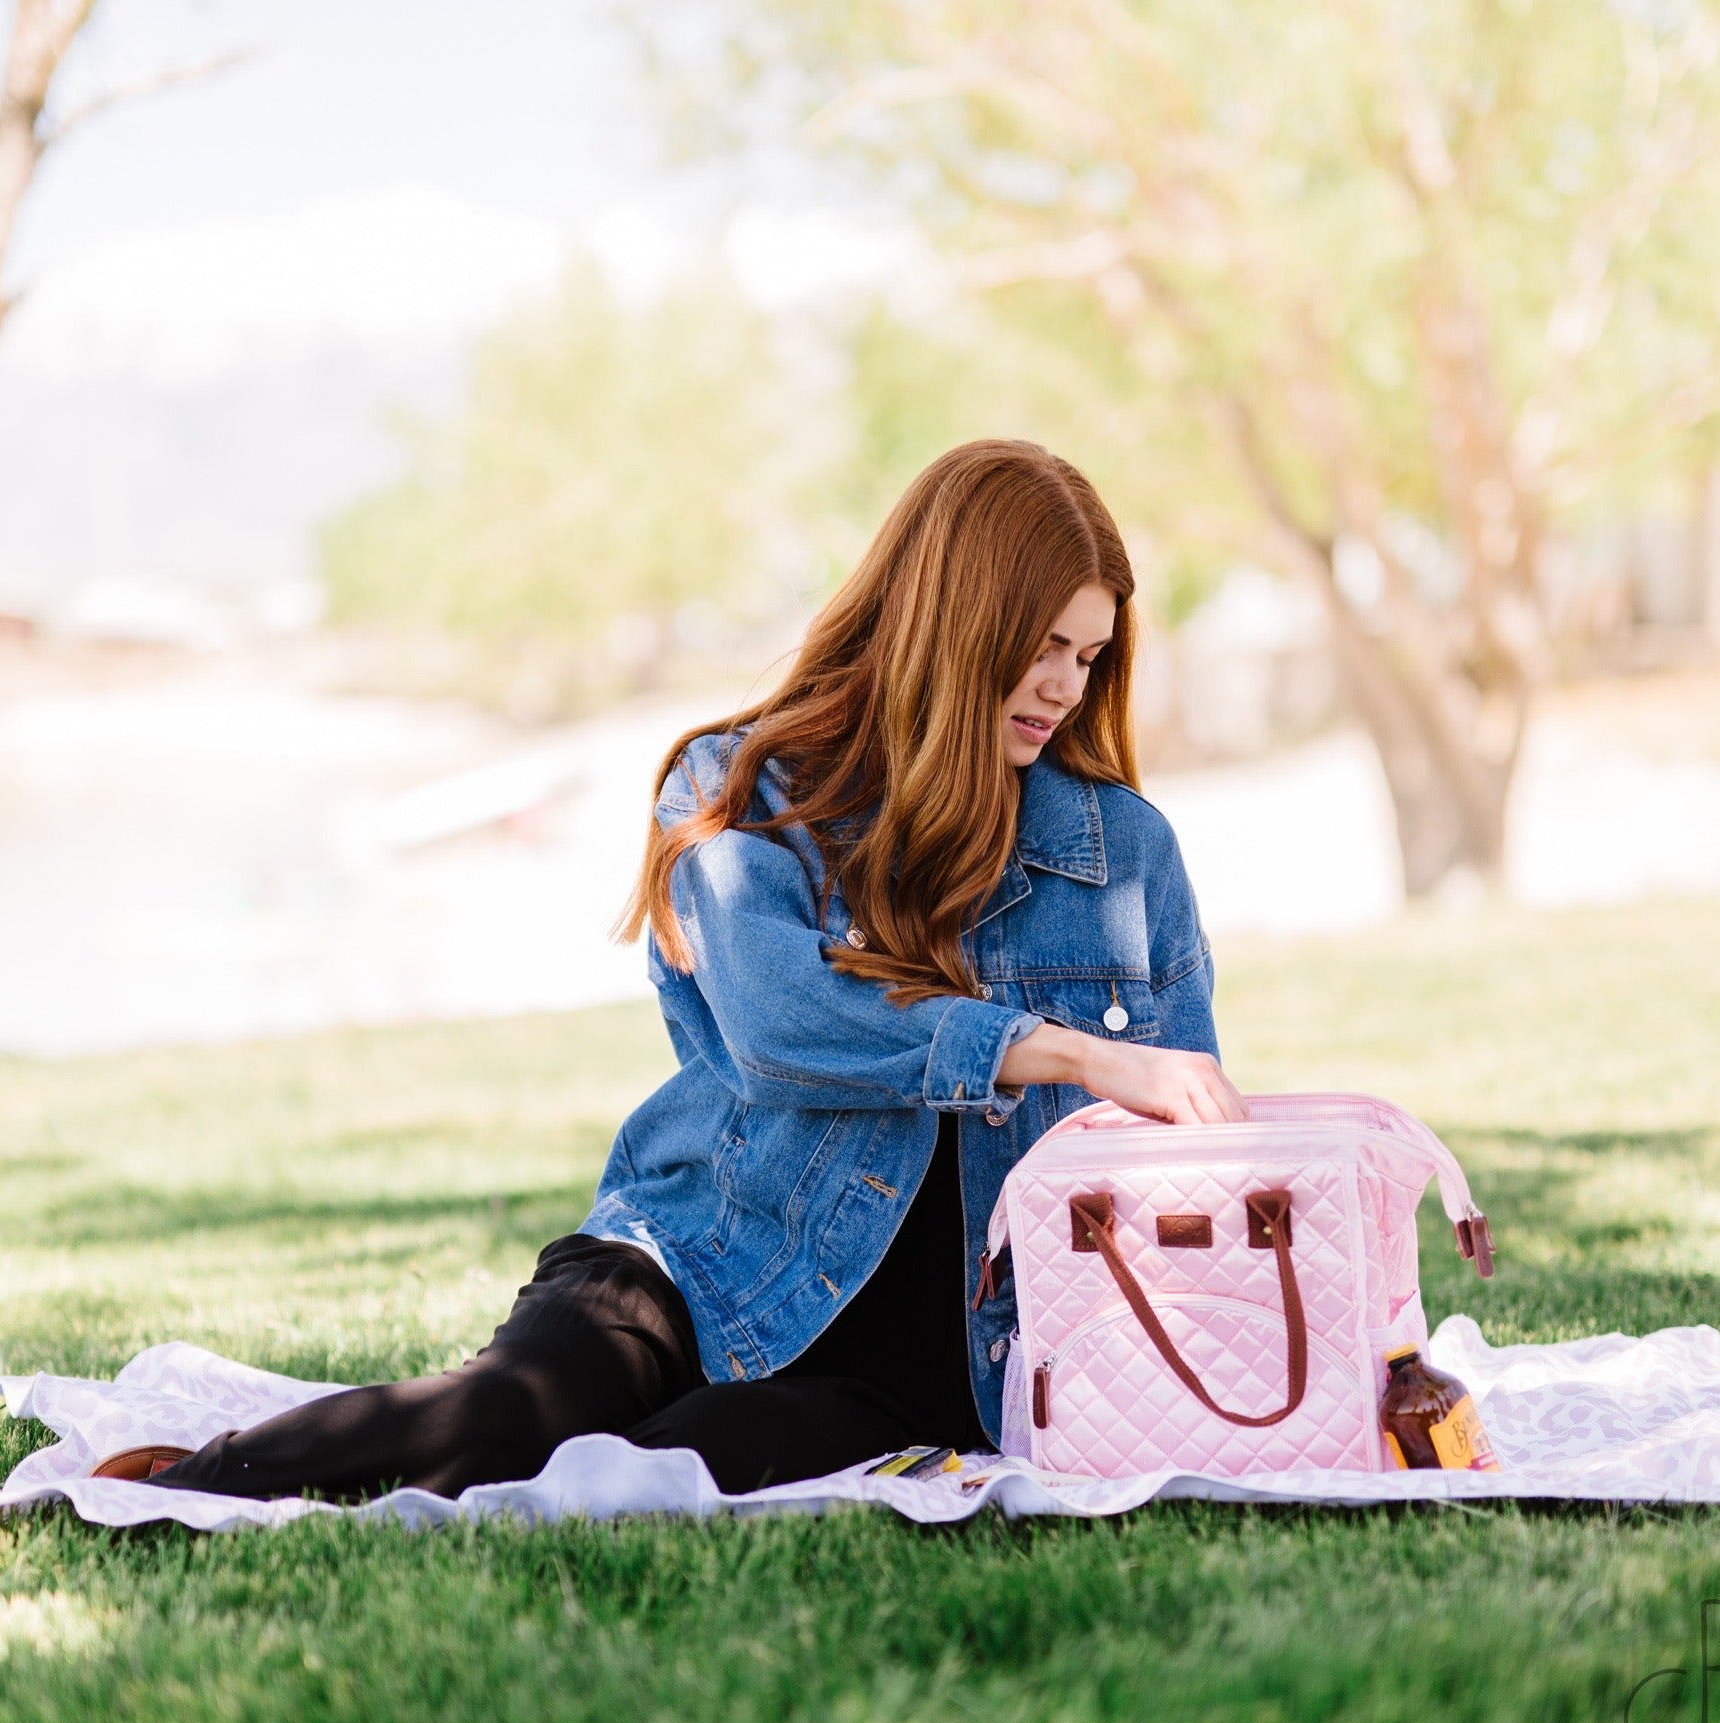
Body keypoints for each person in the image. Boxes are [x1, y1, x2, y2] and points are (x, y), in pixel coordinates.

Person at [102, 440, 1238, 1500]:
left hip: (920, 1370)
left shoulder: (1122, 855)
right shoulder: (744, 789)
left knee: (643, 1481)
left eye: (1086, 658)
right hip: (691, 1262)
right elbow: (782, 1022)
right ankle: (180, 1493)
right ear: (954, 620)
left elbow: (1185, 1154)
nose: (1062, 689)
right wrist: (1064, 1054)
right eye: (1040, 647)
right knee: (505, 1420)